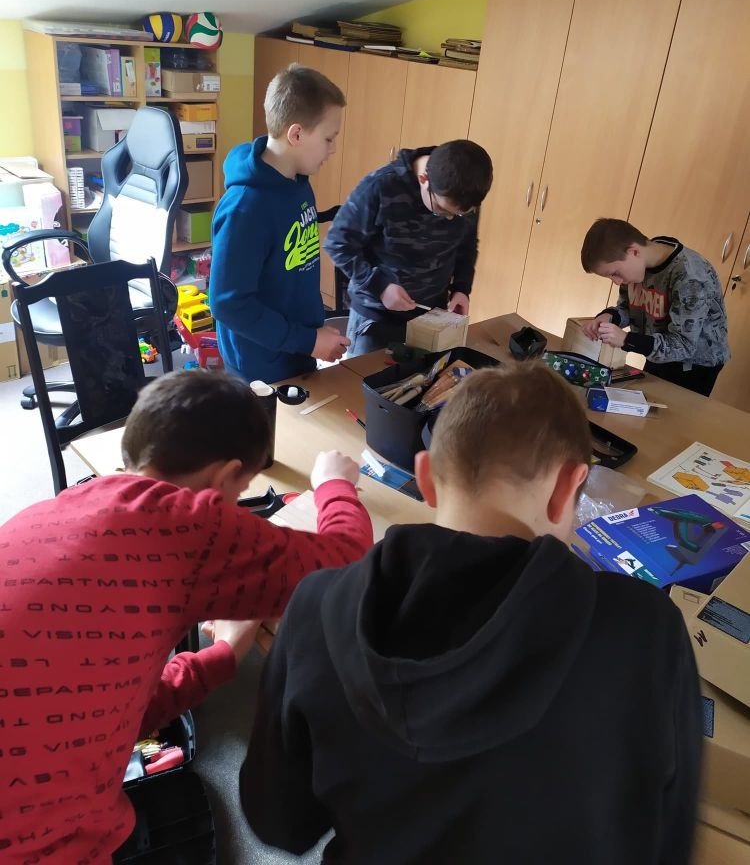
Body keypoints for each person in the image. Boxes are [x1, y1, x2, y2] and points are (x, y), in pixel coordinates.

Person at [240, 365, 702, 865]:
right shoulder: (649, 629)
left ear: (425, 479)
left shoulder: (316, 606)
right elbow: (667, 840)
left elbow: (279, 822)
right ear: (568, 486)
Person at [0, 369, 372, 864]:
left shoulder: (55, 510)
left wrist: (220, 656)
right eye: (241, 491)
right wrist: (334, 485)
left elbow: (113, 703)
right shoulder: (186, 524)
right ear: (222, 478)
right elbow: (345, 563)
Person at [210, 63, 351, 384]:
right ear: (296, 134)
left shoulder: (298, 183)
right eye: (329, 138)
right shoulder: (245, 209)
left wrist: (311, 336)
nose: (333, 149)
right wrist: (308, 340)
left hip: (297, 347)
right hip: (261, 365)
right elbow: (228, 304)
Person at [324, 139, 493, 356]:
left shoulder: (464, 191)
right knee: (364, 377)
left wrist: (461, 289)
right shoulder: (381, 186)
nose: (450, 219)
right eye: (441, 210)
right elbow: (338, 243)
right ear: (424, 180)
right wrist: (380, 286)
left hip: (431, 318)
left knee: (424, 376)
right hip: (376, 318)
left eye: (460, 214)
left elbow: (467, 245)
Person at [581, 218, 729, 396]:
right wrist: (608, 317)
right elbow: (628, 308)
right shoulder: (639, 264)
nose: (617, 282)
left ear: (634, 251)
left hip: (694, 365)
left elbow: (684, 345)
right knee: (647, 402)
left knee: (672, 412)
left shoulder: (691, 276)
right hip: (656, 349)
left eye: (615, 273)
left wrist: (627, 340)